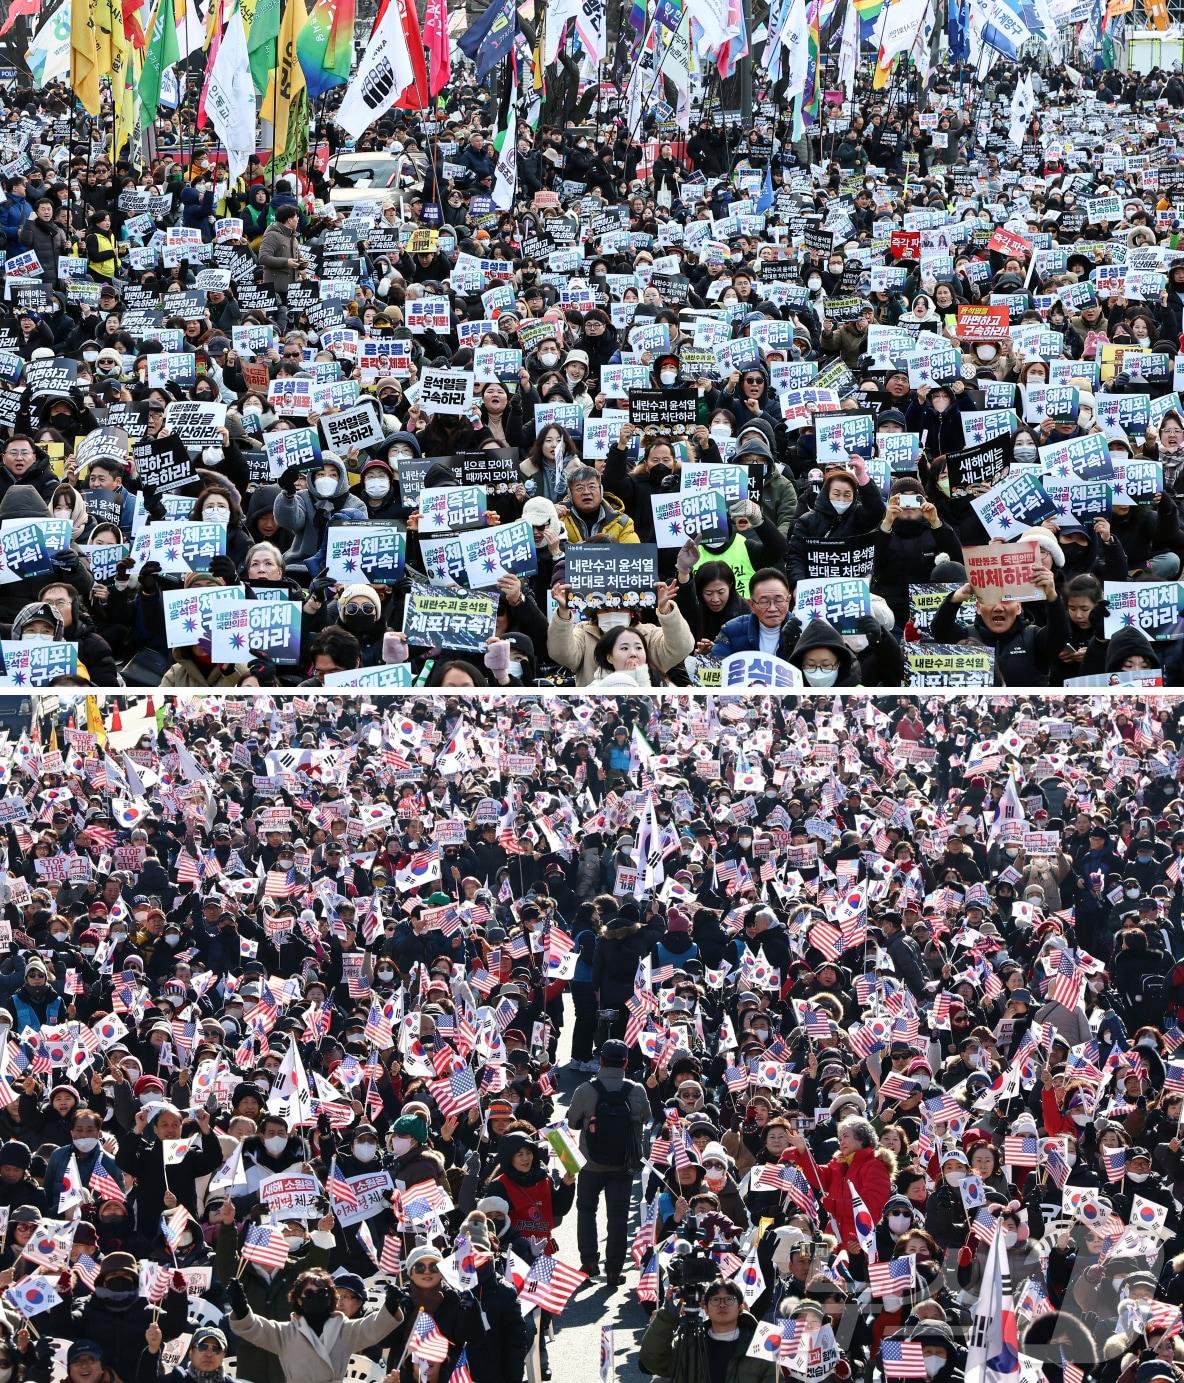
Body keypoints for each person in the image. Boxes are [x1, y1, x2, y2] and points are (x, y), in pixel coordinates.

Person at [565, 1039, 648, 1286]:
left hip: (590, 1164)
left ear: (600, 1060)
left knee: (586, 1211)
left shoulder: (585, 1090)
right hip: (623, 1164)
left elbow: (571, 1122)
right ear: (625, 1062)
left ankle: (589, 1262)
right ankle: (614, 1270)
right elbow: (646, 1117)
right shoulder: (636, 1090)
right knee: (618, 1218)